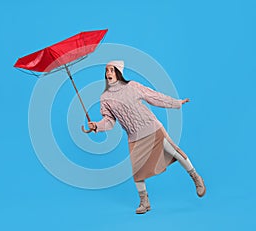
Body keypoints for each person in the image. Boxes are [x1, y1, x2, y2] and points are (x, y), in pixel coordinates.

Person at [88, 60, 206, 214]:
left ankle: (196, 177)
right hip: (134, 137)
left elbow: (154, 97)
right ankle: (144, 201)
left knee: (174, 152)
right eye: (107, 71)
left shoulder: (132, 86)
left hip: (152, 128)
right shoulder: (105, 98)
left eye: (111, 70)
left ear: (118, 72)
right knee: (137, 171)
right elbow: (109, 122)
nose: (108, 73)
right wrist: (96, 126)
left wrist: (176, 103)